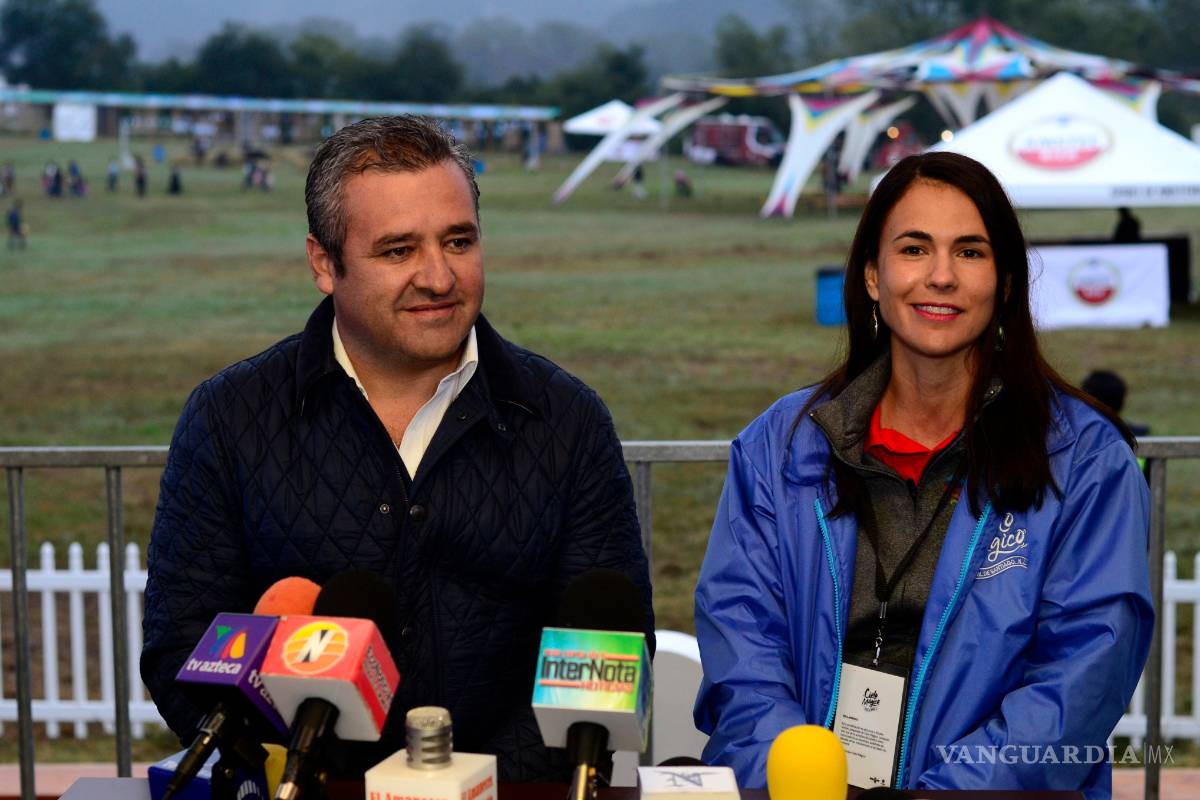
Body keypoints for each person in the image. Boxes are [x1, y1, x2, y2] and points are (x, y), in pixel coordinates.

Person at [140, 115, 653, 783]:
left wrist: (466, 786)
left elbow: (609, 653)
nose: (438, 277)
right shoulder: (229, 418)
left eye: (458, 241)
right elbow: (185, 650)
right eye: (397, 250)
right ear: (325, 263)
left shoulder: (567, 420)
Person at [694, 152, 1152, 798]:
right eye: (914, 249)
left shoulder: (1086, 461)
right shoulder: (781, 446)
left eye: (970, 252)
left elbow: (1078, 680)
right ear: (874, 276)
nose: (941, 276)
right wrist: (796, 781)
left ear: (1007, 283)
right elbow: (742, 647)